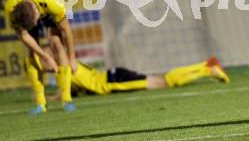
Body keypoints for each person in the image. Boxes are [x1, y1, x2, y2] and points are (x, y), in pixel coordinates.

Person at [5, 0, 77, 114]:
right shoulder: (11, 7)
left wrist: (72, 58)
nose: (37, 25)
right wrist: (45, 57)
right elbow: (24, 36)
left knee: (56, 42)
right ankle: (40, 104)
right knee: (32, 51)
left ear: (38, 14)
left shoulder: (51, 3)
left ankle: (66, 100)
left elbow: (66, 30)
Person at [41, 57, 229, 96]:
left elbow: (64, 93)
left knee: (164, 83)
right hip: (114, 76)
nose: (42, 65)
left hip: (114, 82)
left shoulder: (64, 69)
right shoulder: (68, 65)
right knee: (162, 80)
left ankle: (206, 68)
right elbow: (72, 91)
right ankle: (206, 67)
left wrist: (47, 97)